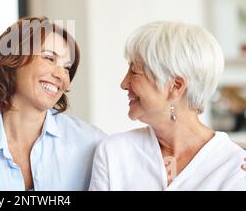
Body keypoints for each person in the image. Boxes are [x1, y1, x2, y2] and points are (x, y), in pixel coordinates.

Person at [0, 17, 105, 190]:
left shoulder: (93, 142)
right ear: (13, 60)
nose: (61, 76)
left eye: (67, 68)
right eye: (49, 58)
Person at [89, 21, 246, 191]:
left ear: (175, 86)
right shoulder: (114, 152)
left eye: (134, 72)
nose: (124, 83)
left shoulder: (235, 166)